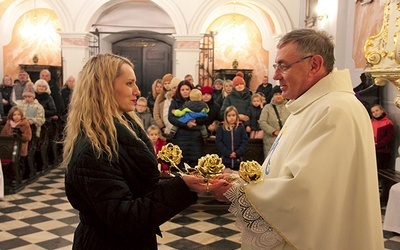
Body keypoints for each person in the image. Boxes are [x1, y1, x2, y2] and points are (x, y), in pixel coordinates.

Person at [213, 29, 384, 249]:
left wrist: (238, 190)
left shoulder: (335, 110)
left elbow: (306, 192)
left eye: (283, 66)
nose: (275, 76)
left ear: (314, 65)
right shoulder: (310, 105)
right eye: (276, 66)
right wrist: (238, 178)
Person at [63, 53, 227, 250]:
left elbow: (139, 193)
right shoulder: (95, 149)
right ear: (104, 88)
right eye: (129, 83)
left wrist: (188, 183)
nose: (137, 91)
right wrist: (181, 187)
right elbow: (125, 217)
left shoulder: (123, 131)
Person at [168, 80, 207, 168]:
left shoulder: (198, 103)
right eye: (182, 90)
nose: (185, 91)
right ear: (179, 91)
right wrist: (186, 123)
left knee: (195, 165)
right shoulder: (175, 102)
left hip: (195, 136)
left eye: (187, 89)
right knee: (180, 164)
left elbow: (204, 116)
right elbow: (171, 118)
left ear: (191, 90)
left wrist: (195, 121)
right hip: (180, 136)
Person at [259, 85, 290, 157]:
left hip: (286, 140)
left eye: (280, 93)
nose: (278, 96)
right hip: (271, 141)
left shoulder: (289, 106)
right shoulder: (267, 108)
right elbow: (262, 122)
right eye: (276, 94)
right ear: (273, 96)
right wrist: (274, 131)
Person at [1, 106, 32, 176]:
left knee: (19, 162)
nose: (16, 116)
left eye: (18, 115)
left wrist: (18, 137)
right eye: (14, 115)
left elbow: (28, 137)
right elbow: (3, 134)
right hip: (9, 147)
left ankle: (20, 175)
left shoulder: (25, 124)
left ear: (21, 115)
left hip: (21, 147)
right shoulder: (8, 123)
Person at [215, 106, 248, 170]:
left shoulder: (241, 127)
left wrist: (237, 153)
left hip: (238, 160)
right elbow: (219, 142)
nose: (231, 118)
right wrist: (228, 153)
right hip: (224, 160)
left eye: (233, 115)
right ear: (226, 117)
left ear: (237, 116)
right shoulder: (221, 128)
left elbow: (244, 142)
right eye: (229, 116)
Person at [371, 104, 395, 170]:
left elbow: (389, 136)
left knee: (381, 169)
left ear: (382, 111)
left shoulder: (388, 122)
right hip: (372, 150)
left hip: (383, 151)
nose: (375, 113)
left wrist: (378, 144)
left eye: (377, 110)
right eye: (373, 112)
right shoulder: (371, 122)